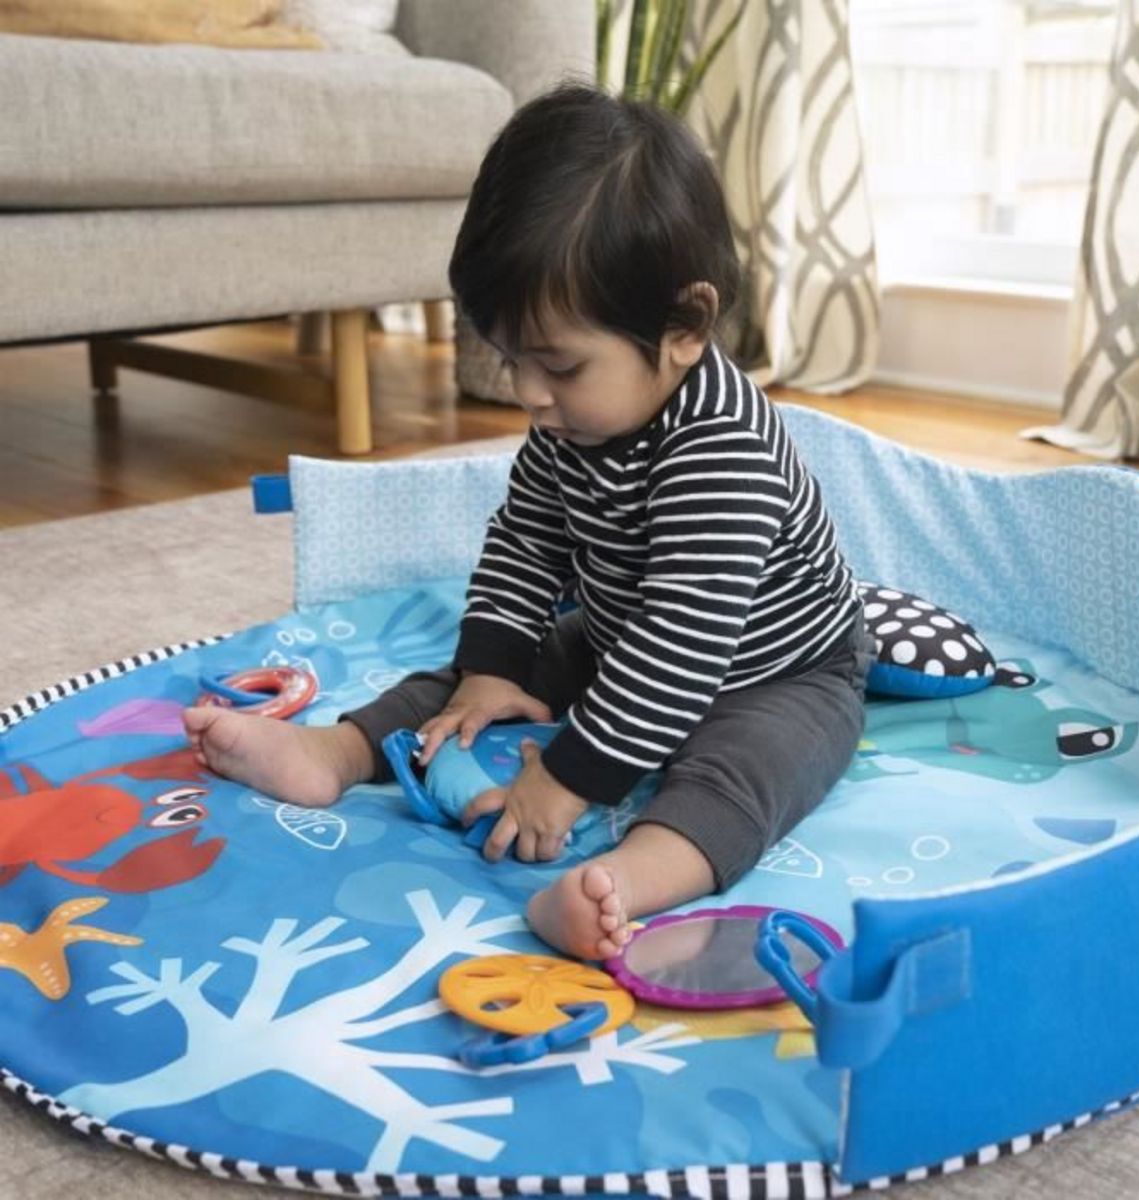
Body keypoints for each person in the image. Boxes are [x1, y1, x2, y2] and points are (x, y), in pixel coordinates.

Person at [183, 84, 869, 962]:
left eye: (560, 365)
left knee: (750, 774)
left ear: (686, 326)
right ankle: (338, 752)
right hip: (624, 639)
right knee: (467, 685)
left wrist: (570, 778)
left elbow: (682, 644)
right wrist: (492, 670)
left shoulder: (722, 451)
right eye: (512, 360)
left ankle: (622, 883)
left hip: (778, 672)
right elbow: (526, 539)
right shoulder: (573, 422)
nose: (529, 395)